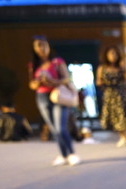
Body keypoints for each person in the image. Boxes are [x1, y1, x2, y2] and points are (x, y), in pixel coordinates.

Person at [28, 35, 80, 166]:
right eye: (38, 45)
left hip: (58, 96)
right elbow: (31, 84)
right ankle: (63, 155)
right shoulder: (33, 65)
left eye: (44, 44)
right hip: (42, 97)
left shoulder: (57, 61)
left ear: (48, 46)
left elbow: (66, 79)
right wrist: (38, 82)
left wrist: (52, 81)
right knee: (53, 129)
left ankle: (72, 154)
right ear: (34, 48)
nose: (41, 48)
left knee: (60, 128)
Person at [96, 45, 126, 148]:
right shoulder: (102, 68)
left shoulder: (121, 67)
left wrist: (125, 68)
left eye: (115, 53)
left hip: (121, 93)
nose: (113, 56)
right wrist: (101, 83)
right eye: (111, 54)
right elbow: (98, 81)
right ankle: (122, 137)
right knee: (115, 117)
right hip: (110, 94)